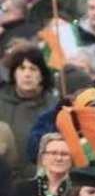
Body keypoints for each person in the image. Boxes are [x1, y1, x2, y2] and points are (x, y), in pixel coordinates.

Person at [0, 42, 56, 179]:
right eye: (22, 68)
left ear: (42, 75)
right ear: (14, 73)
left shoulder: (54, 106)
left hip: (40, 178)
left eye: (33, 69)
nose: (27, 74)